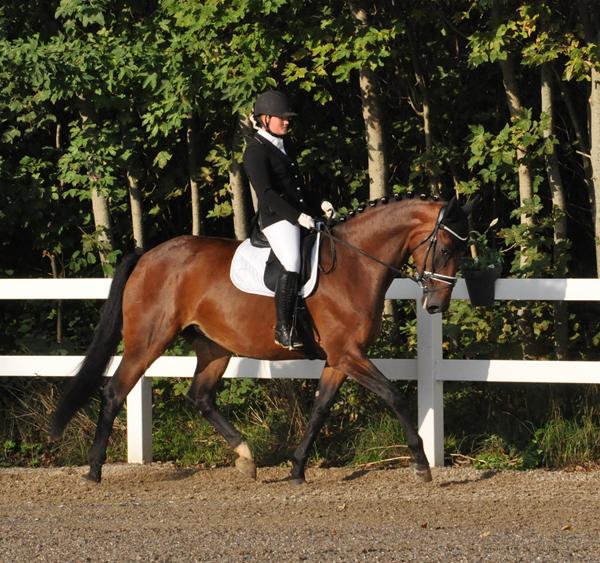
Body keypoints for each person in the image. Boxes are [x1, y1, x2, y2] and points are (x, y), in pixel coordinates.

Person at [243, 90, 318, 350]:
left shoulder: (283, 146)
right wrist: (297, 217)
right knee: (292, 261)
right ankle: (283, 328)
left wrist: (320, 205)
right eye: (281, 118)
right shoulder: (255, 152)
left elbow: (297, 187)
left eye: (288, 118)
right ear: (264, 119)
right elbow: (267, 194)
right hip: (277, 220)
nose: (287, 122)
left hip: (299, 215)